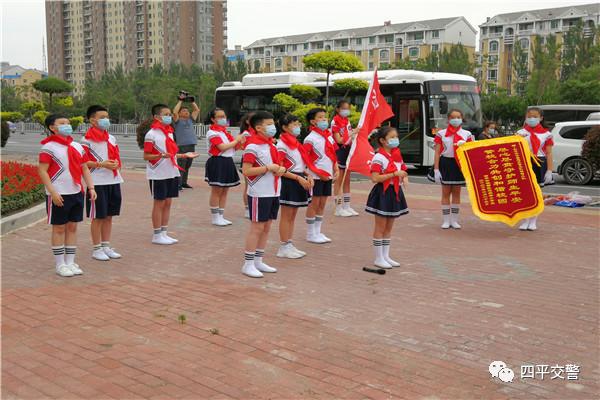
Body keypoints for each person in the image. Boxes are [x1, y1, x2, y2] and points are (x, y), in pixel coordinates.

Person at [38, 114, 97, 277]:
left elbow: (84, 168)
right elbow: (42, 171)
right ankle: (60, 264)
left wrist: (91, 187)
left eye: (68, 123)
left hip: (76, 192)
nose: (67, 125)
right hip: (58, 194)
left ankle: (70, 262)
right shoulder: (48, 147)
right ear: (52, 127)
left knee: (72, 228)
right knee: (58, 228)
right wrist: (53, 192)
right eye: (62, 123)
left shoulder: (77, 146)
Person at [143, 104, 198, 244]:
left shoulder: (169, 132)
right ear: (156, 117)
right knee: (159, 203)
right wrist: (161, 155)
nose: (169, 117)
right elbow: (147, 156)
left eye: (169, 114)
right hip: (158, 173)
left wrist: (184, 155)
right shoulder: (151, 134)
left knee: (168, 203)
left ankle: (164, 232)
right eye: (166, 114)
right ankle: (156, 235)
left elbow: (172, 154)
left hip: (171, 171)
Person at [241, 111, 286, 278]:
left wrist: (279, 169)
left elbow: (276, 166)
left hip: (273, 191)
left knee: (267, 227)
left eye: (272, 123)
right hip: (259, 192)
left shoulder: (270, 145)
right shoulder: (252, 146)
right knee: (257, 227)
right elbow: (246, 170)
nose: (273, 126)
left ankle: (259, 260)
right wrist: (269, 168)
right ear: (258, 127)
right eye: (269, 124)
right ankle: (248, 263)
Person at [81, 105, 124, 261]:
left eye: (107, 117)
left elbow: (117, 158)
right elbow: (83, 163)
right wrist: (102, 164)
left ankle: (106, 246)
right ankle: (96, 248)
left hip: (113, 180)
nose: (106, 120)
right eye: (102, 117)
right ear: (92, 120)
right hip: (97, 183)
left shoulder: (111, 138)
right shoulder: (86, 140)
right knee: (98, 217)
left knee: (109, 216)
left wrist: (116, 165)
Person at [366, 126, 409, 268]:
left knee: (389, 227)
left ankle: (386, 256)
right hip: (382, 193)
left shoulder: (397, 155)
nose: (395, 140)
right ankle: (378, 258)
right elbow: (375, 178)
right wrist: (394, 175)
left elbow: (402, 169)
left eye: (396, 137)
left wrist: (404, 177)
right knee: (380, 226)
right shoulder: (378, 157)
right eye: (392, 137)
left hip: (395, 191)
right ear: (383, 141)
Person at [276, 113, 316, 259]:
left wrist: (308, 175)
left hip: (298, 178)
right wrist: (298, 178)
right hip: (289, 181)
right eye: (294, 124)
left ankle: (289, 243)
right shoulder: (281, 145)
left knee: (292, 216)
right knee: (286, 216)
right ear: (285, 127)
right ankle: (283, 246)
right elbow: (279, 168)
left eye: (298, 124)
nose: (298, 127)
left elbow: (300, 165)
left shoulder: (296, 143)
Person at [427, 109, 474, 229]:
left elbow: (471, 153)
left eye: (458, 117)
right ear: (448, 119)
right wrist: (436, 169)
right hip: (446, 163)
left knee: (457, 193)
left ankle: (454, 220)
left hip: (459, 164)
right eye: (453, 117)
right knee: (446, 192)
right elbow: (437, 152)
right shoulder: (441, 133)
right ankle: (446, 220)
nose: (456, 119)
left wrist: (466, 146)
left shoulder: (467, 134)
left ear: (462, 118)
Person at [304, 107, 340, 244]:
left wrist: (335, 168)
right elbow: (305, 160)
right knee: (314, 203)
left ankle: (318, 231)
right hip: (316, 176)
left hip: (328, 175)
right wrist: (317, 173)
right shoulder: (310, 139)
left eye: (325, 117)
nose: (324, 120)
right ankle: (310, 233)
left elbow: (332, 155)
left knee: (323, 203)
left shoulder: (329, 136)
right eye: (320, 117)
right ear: (313, 121)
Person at [516, 107, 554, 231]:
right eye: (529, 116)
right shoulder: (520, 132)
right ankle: (525, 219)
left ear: (541, 118)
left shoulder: (546, 134)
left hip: (539, 162)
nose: (531, 119)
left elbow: (548, 153)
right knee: (525, 193)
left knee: (537, 193)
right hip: (524, 162)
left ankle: (533, 220)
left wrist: (549, 170)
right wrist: (517, 138)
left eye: (535, 116)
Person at [205, 108, 244, 226]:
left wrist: (241, 141)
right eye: (220, 117)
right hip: (217, 161)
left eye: (224, 116)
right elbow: (222, 147)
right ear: (213, 119)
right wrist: (236, 140)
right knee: (217, 190)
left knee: (225, 190)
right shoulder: (212, 132)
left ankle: (221, 215)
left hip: (228, 161)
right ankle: (215, 217)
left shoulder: (224, 132)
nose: (223, 119)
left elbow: (234, 147)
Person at [331, 100, 359, 217]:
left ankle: (347, 206)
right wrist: (351, 134)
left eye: (348, 108)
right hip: (339, 151)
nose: (346, 111)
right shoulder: (335, 122)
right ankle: (338, 207)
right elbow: (338, 140)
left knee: (347, 180)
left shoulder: (346, 120)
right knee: (339, 180)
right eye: (344, 108)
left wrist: (354, 134)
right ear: (338, 109)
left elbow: (348, 136)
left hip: (348, 150)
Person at [172, 95, 201, 190]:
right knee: (181, 165)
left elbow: (197, 110)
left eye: (187, 111)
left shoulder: (191, 120)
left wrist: (192, 101)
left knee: (187, 165)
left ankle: (184, 182)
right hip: (182, 146)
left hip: (191, 145)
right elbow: (174, 111)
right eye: (184, 111)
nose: (186, 112)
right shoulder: (177, 121)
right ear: (180, 114)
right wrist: (180, 100)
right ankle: (178, 184)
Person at [239, 112, 256, 219]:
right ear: (247, 121)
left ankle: (254, 206)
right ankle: (247, 208)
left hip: (259, 161)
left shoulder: (258, 132)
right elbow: (242, 146)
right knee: (248, 185)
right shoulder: (246, 134)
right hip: (248, 160)